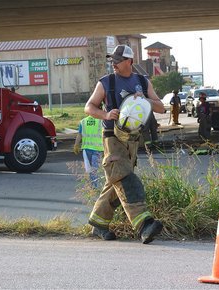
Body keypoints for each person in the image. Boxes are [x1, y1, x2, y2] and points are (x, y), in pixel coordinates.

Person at [84, 44, 166, 244]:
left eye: (117, 60)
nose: (114, 64)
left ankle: (98, 223)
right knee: (126, 179)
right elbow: (89, 107)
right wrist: (105, 114)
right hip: (112, 137)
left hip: (133, 140)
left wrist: (145, 99)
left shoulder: (142, 81)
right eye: (112, 60)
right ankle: (144, 225)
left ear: (130, 61)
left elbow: (161, 108)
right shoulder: (106, 82)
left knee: (116, 180)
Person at [74, 115, 104, 188]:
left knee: (90, 170)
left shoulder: (83, 121)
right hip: (98, 149)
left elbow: (79, 134)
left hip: (86, 149)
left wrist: (76, 145)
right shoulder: (101, 120)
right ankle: (97, 187)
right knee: (96, 170)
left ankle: (94, 186)